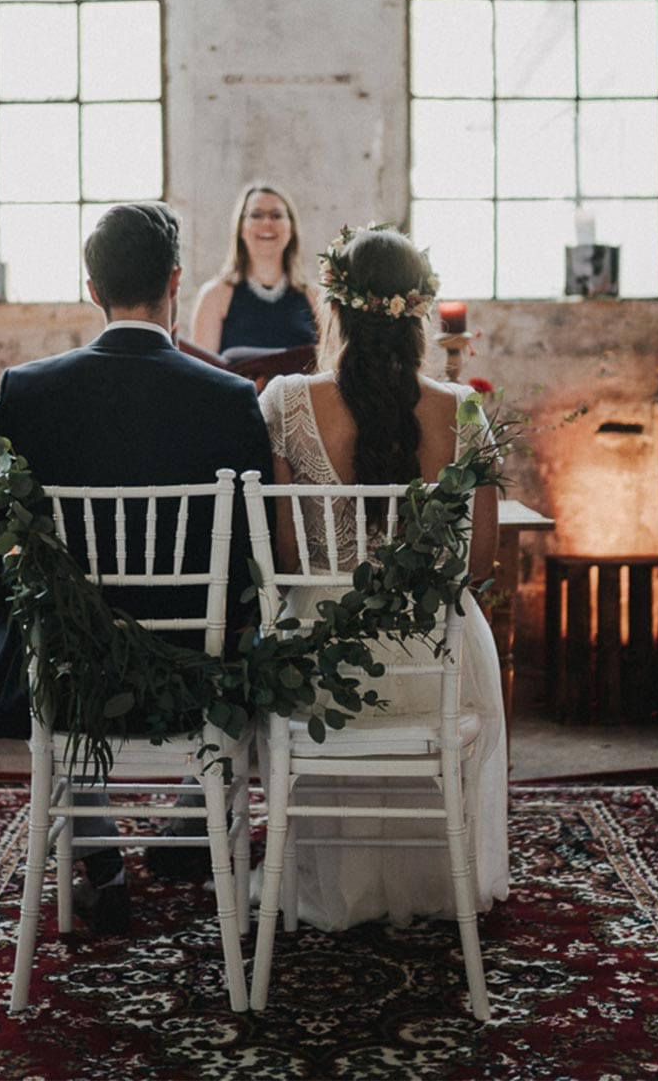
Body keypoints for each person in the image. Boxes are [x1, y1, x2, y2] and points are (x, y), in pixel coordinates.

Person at [0, 201, 273, 931]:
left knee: (52, 660)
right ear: (175, 281)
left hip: (73, 676)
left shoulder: (28, 392)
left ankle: (101, 861)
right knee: (258, 647)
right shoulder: (228, 399)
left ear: (92, 288)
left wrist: (24, 628)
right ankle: (192, 818)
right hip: (194, 679)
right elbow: (263, 556)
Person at [257, 223, 509, 931]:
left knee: (284, 643)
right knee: (463, 652)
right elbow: (480, 565)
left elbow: (284, 561)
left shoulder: (285, 403)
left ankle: (335, 881)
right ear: (419, 312)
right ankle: (434, 877)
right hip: (434, 657)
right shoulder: (463, 410)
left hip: (324, 659)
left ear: (335, 307)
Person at [190, 184, 319, 358]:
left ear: (291, 228)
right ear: (240, 228)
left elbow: (332, 367)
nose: (267, 223)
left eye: (276, 215)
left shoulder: (316, 297)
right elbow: (202, 371)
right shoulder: (214, 296)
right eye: (256, 215)